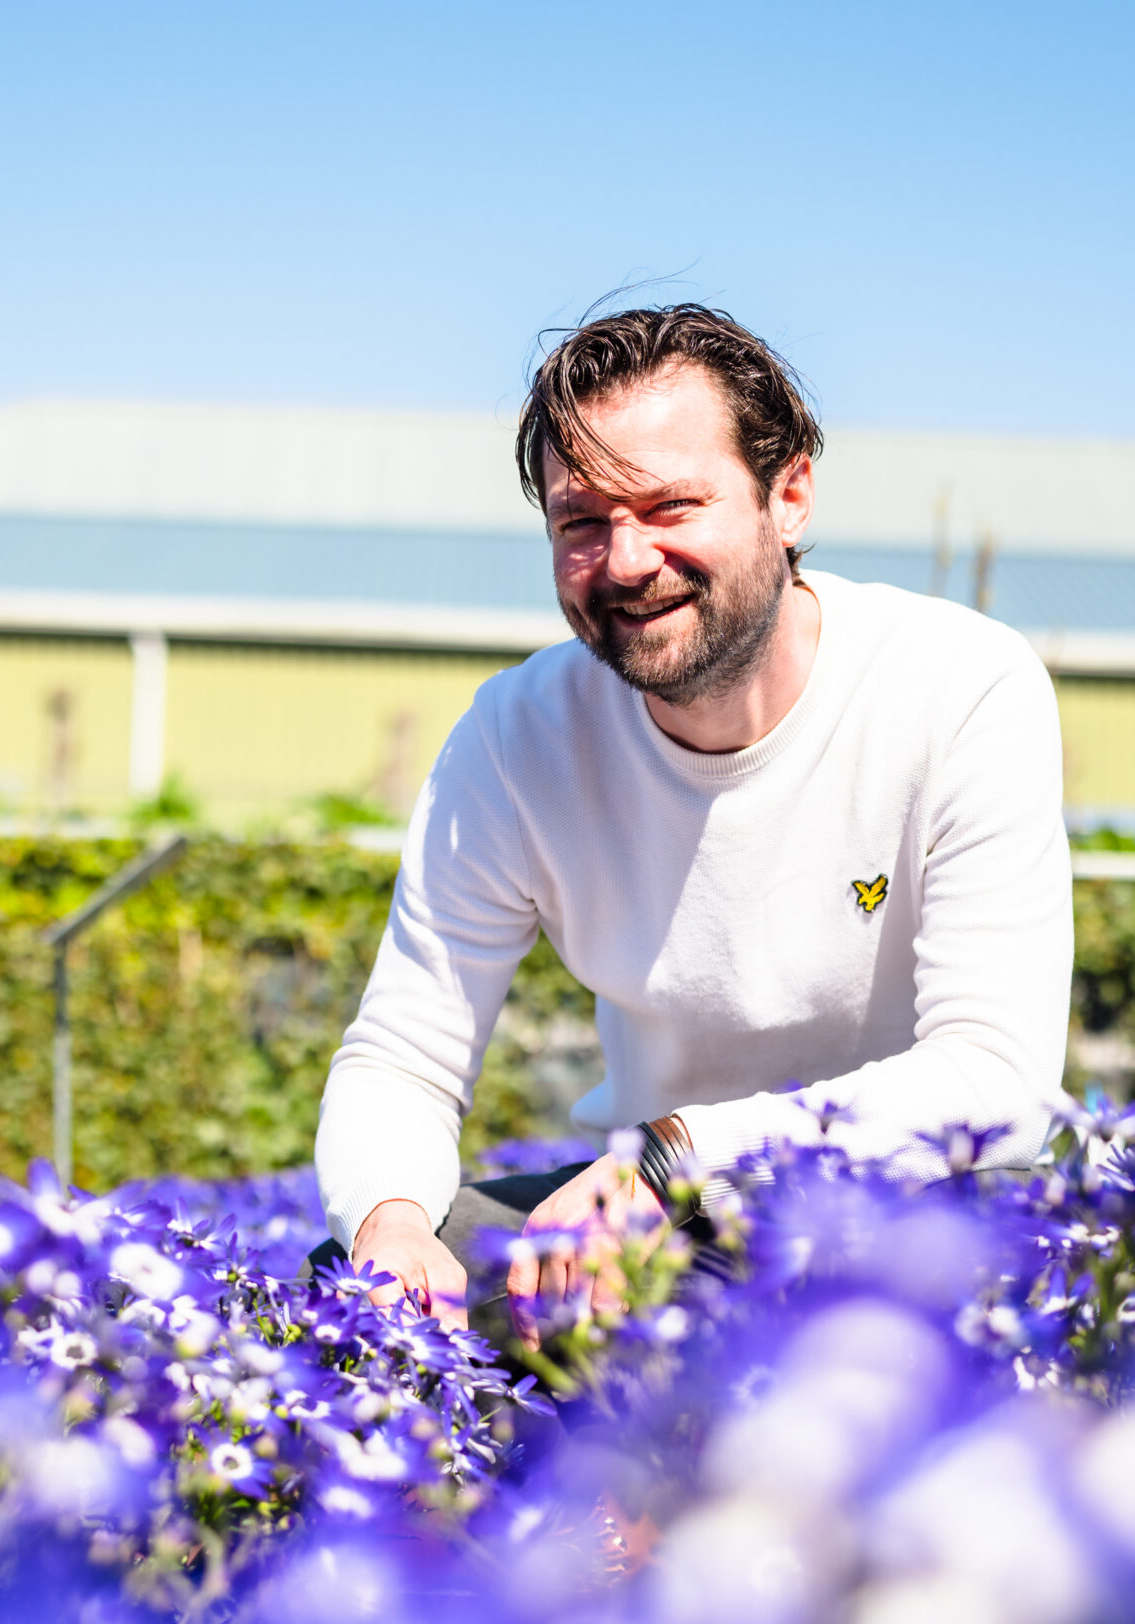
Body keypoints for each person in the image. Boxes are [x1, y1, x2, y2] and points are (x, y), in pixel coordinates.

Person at [312, 304, 1073, 1343]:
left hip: (925, 1206)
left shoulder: (957, 685)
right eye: (582, 521)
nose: (625, 560)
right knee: (349, 1295)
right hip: (646, 1220)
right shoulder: (514, 737)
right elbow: (403, 1055)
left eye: (670, 504)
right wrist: (391, 1223)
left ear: (789, 494)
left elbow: (996, 1077)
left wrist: (678, 1153)